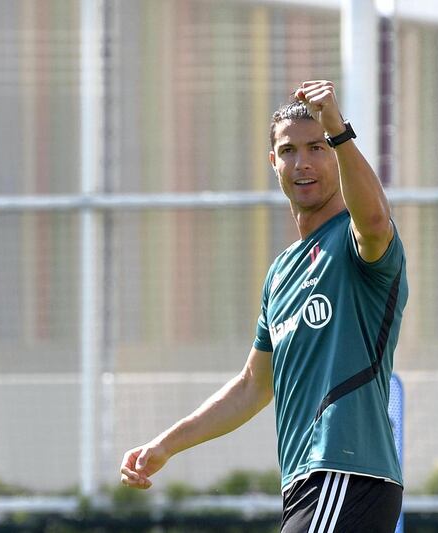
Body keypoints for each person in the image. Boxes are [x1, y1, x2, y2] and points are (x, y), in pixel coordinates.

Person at [121, 80, 408, 532]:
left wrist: (338, 128)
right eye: (289, 150)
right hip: (305, 484)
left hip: (344, 473)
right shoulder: (280, 274)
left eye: (317, 147)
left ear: (334, 151)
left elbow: (374, 220)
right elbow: (253, 385)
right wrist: (165, 445)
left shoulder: (356, 242)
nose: (303, 162)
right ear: (274, 162)